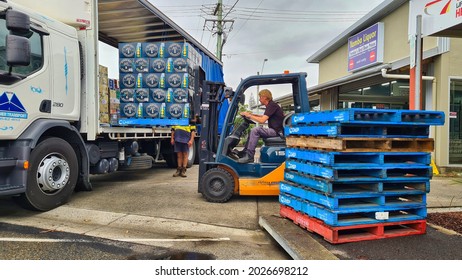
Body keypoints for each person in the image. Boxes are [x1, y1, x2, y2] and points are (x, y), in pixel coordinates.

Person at [237, 89, 284, 163]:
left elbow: (262, 120)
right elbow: (263, 116)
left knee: (256, 130)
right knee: (252, 132)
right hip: (275, 130)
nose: (259, 99)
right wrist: (250, 115)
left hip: (276, 131)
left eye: (260, 97)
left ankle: (250, 156)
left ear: (265, 97)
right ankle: (245, 152)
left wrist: (249, 115)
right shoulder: (270, 105)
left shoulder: (272, 105)